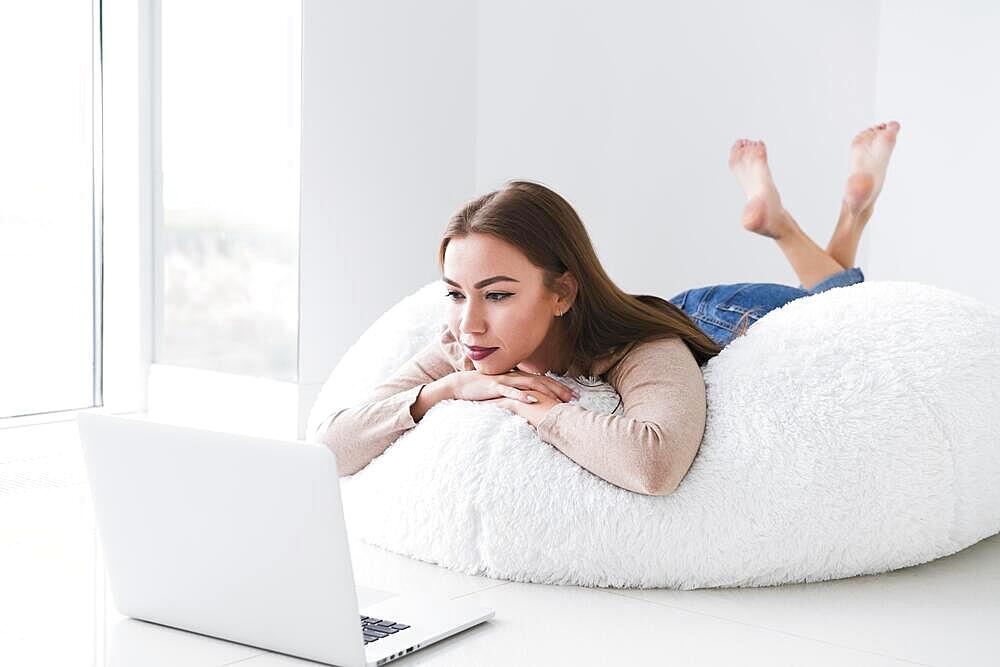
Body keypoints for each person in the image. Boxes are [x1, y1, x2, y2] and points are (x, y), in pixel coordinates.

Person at [316, 121, 900, 496]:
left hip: (725, 313)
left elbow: (655, 465)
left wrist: (542, 412)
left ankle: (790, 226)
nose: (469, 322)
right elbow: (331, 447)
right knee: (835, 286)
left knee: (837, 305)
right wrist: (438, 392)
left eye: (497, 294)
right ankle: (844, 216)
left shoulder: (643, 347)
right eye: (455, 292)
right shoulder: (463, 343)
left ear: (563, 292)